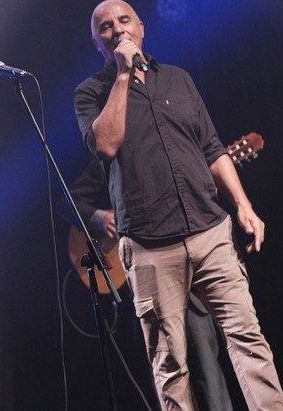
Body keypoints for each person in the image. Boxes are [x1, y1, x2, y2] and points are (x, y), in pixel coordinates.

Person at [73, 0, 283, 410]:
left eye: (124, 20)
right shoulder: (91, 92)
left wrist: (242, 204)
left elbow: (212, 147)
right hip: (150, 246)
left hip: (210, 231)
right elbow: (105, 144)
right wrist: (122, 75)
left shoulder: (177, 79)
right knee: (170, 365)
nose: (117, 28)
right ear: (97, 42)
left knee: (248, 341)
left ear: (141, 27)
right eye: (105, 26)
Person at [60, 159, 235, 411]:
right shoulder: (110, 160)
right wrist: (100, 219)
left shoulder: (171, 152)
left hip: (187, 280)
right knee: (165, 375)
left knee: (208, 371)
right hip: (145, 284)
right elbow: (66, 203)